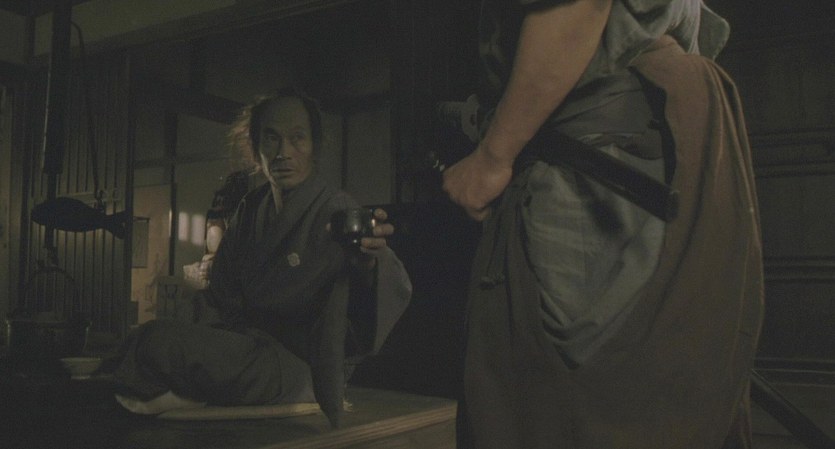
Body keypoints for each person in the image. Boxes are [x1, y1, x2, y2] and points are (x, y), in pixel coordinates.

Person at [441, 1, 763, 448]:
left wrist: (493, 156)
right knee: (662, 394)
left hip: (597, 155)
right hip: (653, 139)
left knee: (569, 403)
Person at [111, 89, 412, 428]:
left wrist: (369, 264)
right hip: (245, 345)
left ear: (314, 146)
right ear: (256, 148)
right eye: (271, 139)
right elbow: (220, 291)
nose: (284, 152)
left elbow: (380, 291)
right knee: (148, 336)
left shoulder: (335, 209)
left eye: (297, 138)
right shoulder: (251, 208)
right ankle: (186, 384)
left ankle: (185, 387)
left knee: (159, 344)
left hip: (298, 366)